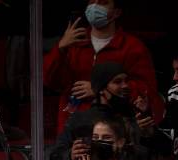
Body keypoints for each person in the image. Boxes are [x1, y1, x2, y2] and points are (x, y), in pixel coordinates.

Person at [43, 0, 161, 135]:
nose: (94, 6)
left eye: (103, 2)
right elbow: (48, 80)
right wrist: (60, 48)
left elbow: (146, 90)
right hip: (73, 132)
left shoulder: (133, 47)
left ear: (117, 12)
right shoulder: (73, 44)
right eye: (92, 1)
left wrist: (101, 89)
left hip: (113, 133)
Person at [47, 62, 143, 160]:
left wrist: (148, 132)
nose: (125, 86)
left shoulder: (134, 116)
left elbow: (146, 155)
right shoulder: (79, 120)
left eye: (126, 81)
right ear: (101, 88)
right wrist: (70, 154)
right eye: (118, 82)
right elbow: (54, 157)